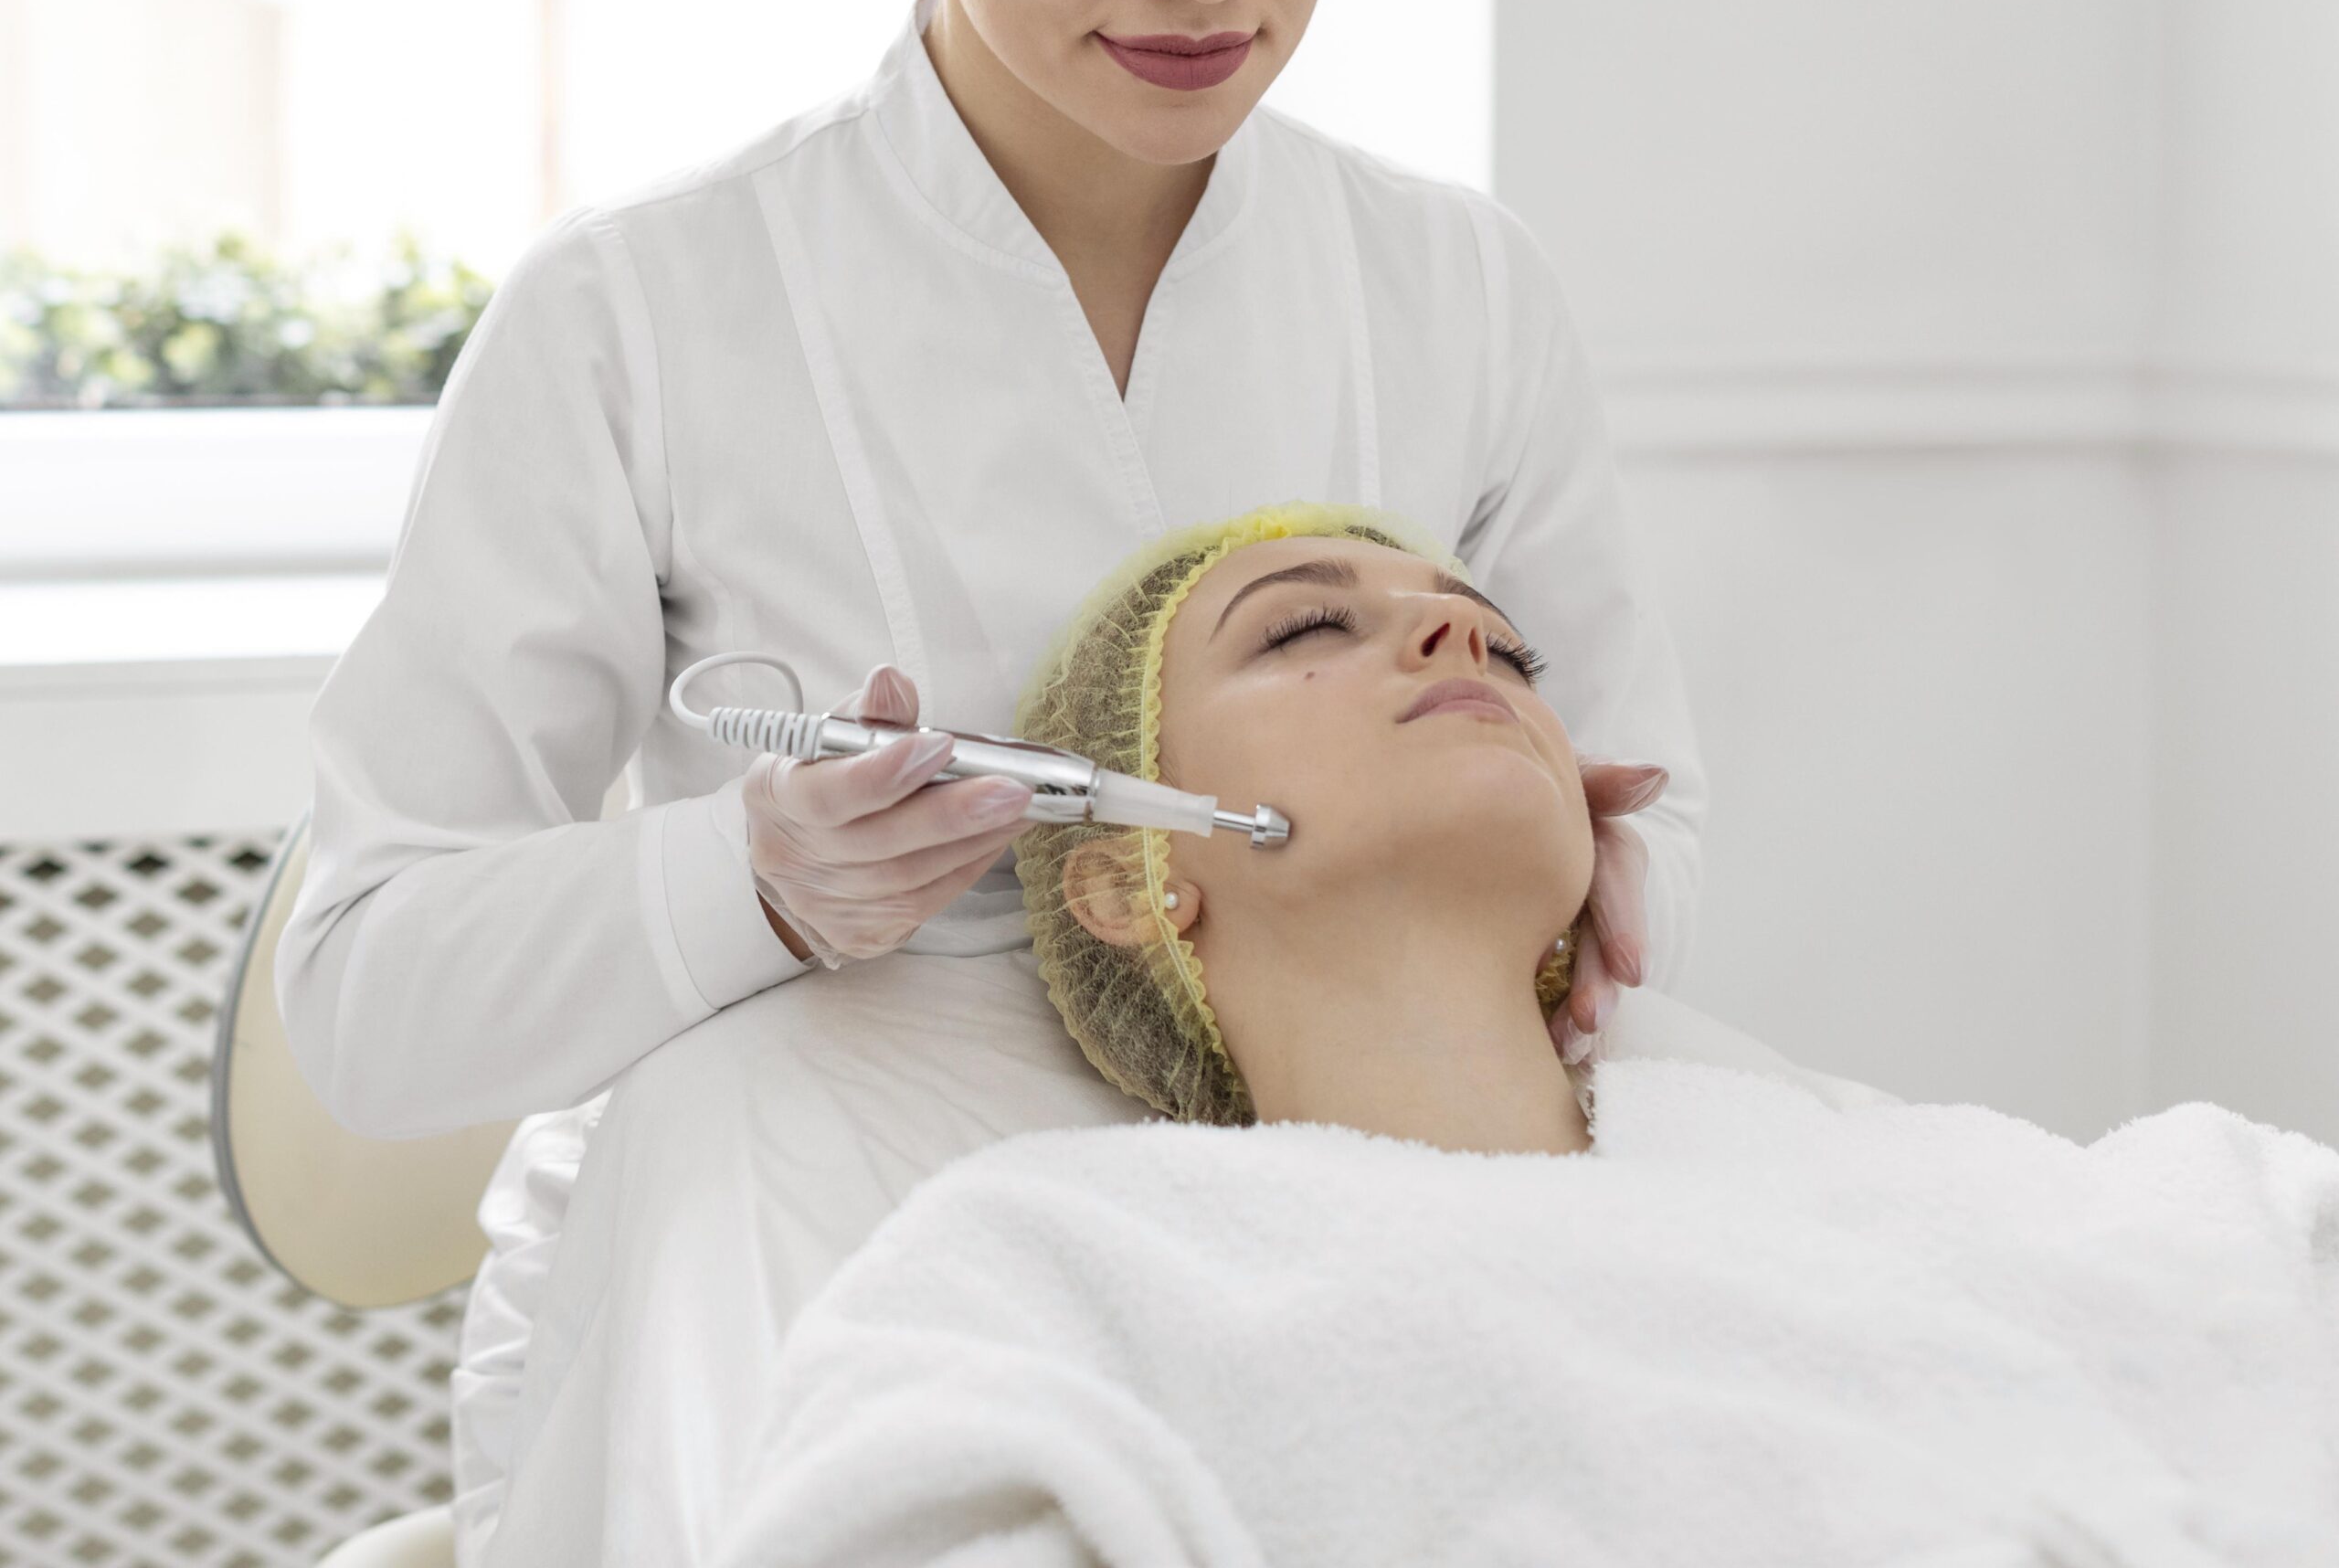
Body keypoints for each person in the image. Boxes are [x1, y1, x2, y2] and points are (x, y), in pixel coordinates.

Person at [271, 0, 1708, 1557]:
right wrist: (751, 885)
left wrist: (1551, 886)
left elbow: (1650, 836)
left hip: (1358, 1209)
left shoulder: (1452, 288)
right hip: (806, 1213)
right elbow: (366, 998)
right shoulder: (639, 314)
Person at [703, 505, 2339, 1568]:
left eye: (1503, 644)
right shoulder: (1063, 1276)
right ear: (1129, 874)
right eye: (1303, 630)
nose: (1459, 639)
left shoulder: (1949, 1182)